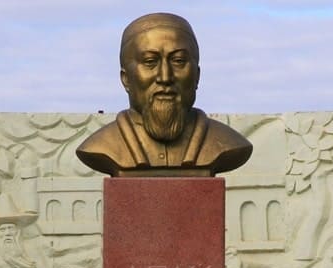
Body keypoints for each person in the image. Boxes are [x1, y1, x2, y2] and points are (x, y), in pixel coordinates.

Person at [76, 12, 252, 177]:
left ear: (197, 75)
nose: (165, 77)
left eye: (178, 61)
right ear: (126, 78)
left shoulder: (226, 143)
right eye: (150, 62)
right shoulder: (101, 146)